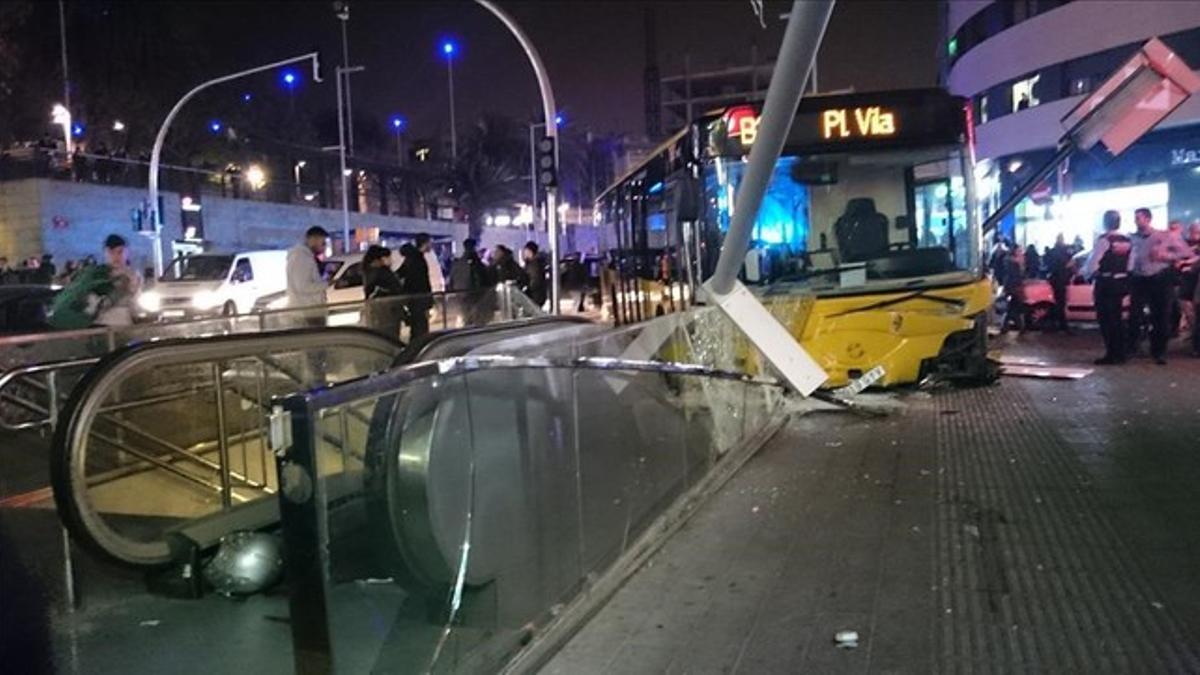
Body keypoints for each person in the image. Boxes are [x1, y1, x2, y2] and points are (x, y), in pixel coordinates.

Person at [1127, 208, 1191, 364]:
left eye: (1139, 218)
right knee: (1135, 315)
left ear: (1148, 219)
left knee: (1161, 316)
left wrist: (1165, 256)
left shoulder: (1163, 236)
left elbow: (1185, 253)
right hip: (1138, 278)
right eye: (1135, 218)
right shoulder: (1131, 238)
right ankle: (1133, 347)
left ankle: (1159, 351)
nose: (1136, 221)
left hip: (1159, 278)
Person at [48, 234, 141, 329]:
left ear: (127, 252)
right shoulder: (95, 274)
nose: (116, 256)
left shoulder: (133, 275)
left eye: (120, 252)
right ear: (105, 252)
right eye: (111, 252)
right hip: (99, 323)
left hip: (122, 322)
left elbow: (136, 302)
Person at [1084, 210, 1133, 364]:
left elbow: (1093, 263)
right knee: (1117, 319)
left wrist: (1089, 275)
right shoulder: (1128, 240)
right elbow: (1131, 263)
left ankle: (1112, 354)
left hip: (1106, 283)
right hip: (1121, 282)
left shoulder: (1104, 240)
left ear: (1105, 222)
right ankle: (1121, 353)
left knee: (1106, 319)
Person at [286, 226, 329, 324]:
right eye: (322, 243)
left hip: (308, 311)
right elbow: (303, 287)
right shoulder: (301, 258)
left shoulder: (303, 256)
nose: (324, 247)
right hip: (308, 312)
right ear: (313, 239)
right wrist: (326, 284)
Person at [361, 245, 404, 340]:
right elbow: (396, 288)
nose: (390, 260)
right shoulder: (382, 273)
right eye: (386, 257)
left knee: (380, 336)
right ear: (378, 259)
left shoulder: (368, 271)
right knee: (390, 336)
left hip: (377, 309)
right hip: (388, 309)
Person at [449, 238, 492, 325]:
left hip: (461, 294)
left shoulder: (458, 263)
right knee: (476, 319)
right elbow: (482, 278)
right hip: (475, 294)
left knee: (466, 317)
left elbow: (452, 279)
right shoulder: (477, 263)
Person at [397, 242, 432, 340]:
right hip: (419, 297)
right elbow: (423, 281)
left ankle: (416, 343)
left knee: (416, 325)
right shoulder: (418, 260)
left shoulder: (410, 260)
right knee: (420, 325)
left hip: (413, 298)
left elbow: (400, 274)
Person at [1044, 234, 1073, 333]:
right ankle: (1061, 325)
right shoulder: (1062, 252)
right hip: (1060, 280)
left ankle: (1055, 324)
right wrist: (1069, 265)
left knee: (1057, 302)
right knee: (1060, 303)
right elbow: (1065, 264)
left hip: (1055, 279)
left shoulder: (1053, 251)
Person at [1000, 245, 1026, 333]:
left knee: (1013, 306)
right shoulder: (1014, 261)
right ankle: (1019, 326)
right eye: (1019, 250)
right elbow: (1020, 273)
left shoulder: (1008, 260)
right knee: (1016, 305)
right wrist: (1020, 263)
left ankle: (1007, 326)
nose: (1021, 252)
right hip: (1014, 286)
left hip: (1011, 285)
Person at [522, 241, 548, 308]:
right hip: (537, 296)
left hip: (535, 296)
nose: (524, 254)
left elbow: (535, 281)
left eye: (525, 251)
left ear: (530, 252)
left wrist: (526, 290)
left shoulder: (534, 265)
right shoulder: (533, 264)